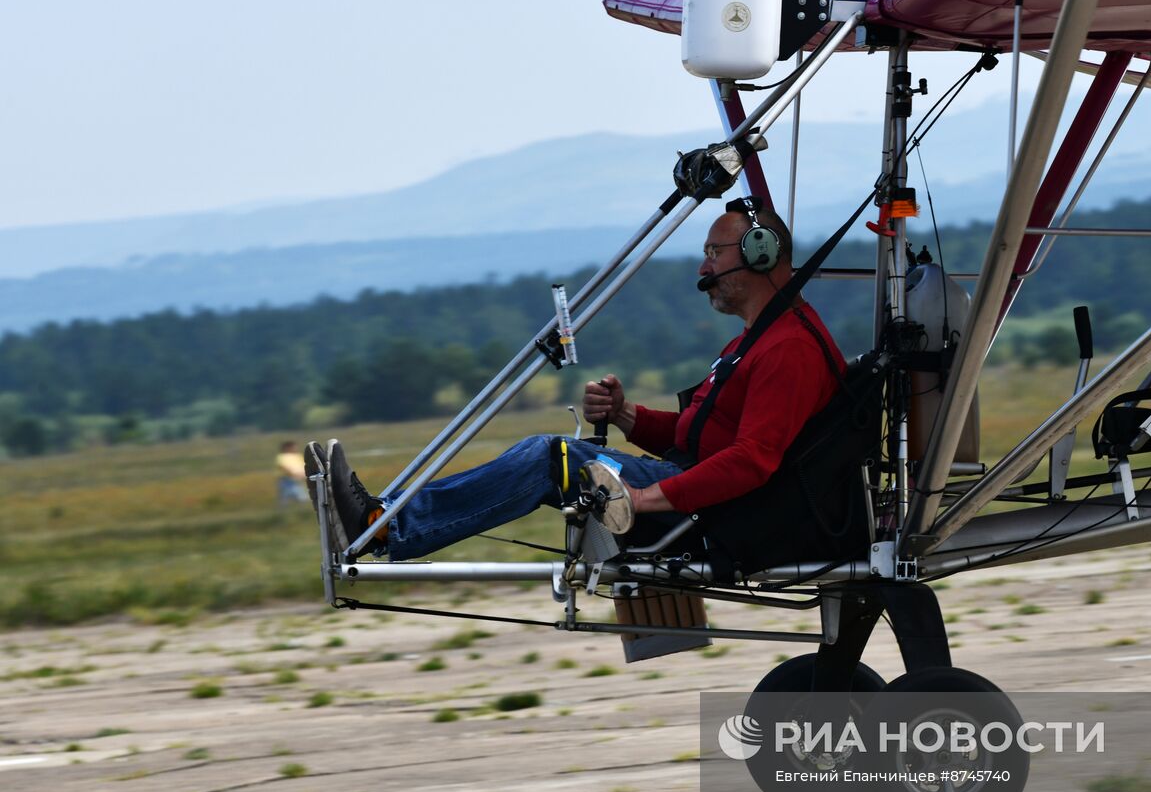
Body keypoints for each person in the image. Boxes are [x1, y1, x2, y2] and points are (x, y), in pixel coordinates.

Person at [313, 198, 845, 560]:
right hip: (701, 496)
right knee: (558, 457)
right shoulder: (758, 338)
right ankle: (383, 518)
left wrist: (644, 499)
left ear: (759, 254)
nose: (703, 269)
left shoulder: (788, 349)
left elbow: (753, 461)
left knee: (552, 458)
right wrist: (626, 414)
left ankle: (385, 524)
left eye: (713, 253)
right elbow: (698, 434)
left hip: (721, 518)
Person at [275, 440, 309, 506]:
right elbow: (283, 467)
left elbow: (303, 466)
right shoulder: (282, 456)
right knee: (285, 499)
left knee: (302, 498)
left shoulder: (298, 456)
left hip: (298, 480)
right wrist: (294, 474)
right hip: (287, 480)